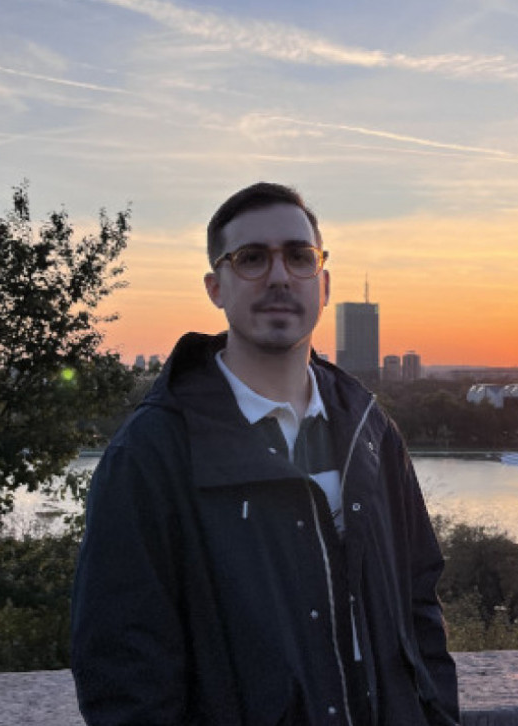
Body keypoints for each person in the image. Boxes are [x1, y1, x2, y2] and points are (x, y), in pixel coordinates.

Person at [71, 182, 459, 726]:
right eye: (251, 258)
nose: (279, 276)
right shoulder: (153, 452)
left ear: (323, 284)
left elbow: (418, 605)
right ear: (216, 287)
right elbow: (123, 667)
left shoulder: (369, 430)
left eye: (299, 257)